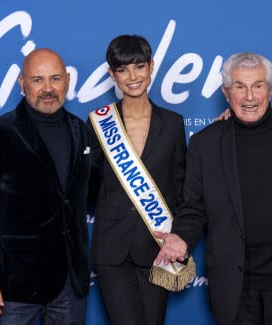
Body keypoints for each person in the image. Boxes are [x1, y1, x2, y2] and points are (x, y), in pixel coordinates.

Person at [155, 52, 272, 325]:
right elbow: (193, 208)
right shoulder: (205, 144)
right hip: (235, 288)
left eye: (257, 86)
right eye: (239, 87)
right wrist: (181, 237)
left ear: (271, 89)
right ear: (226, 92)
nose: (249, 97)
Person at [0, 48, 92, 324]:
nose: (48, 88)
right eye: (38, 80)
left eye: (55, 79)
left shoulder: (82, 130)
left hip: (70, 281)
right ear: (22, 84)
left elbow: (92, 192)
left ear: (67, 81)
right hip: (15, 283)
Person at [89, 35, 186, 325]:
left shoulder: (172, 122)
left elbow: (180, 184)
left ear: (151, 67)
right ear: (111, 74)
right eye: (122, 70)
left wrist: (176, 234)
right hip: (111, 247)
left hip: (157, 245)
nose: (132, 77)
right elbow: (90, 185)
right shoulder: (98, 121)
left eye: (139, 66)